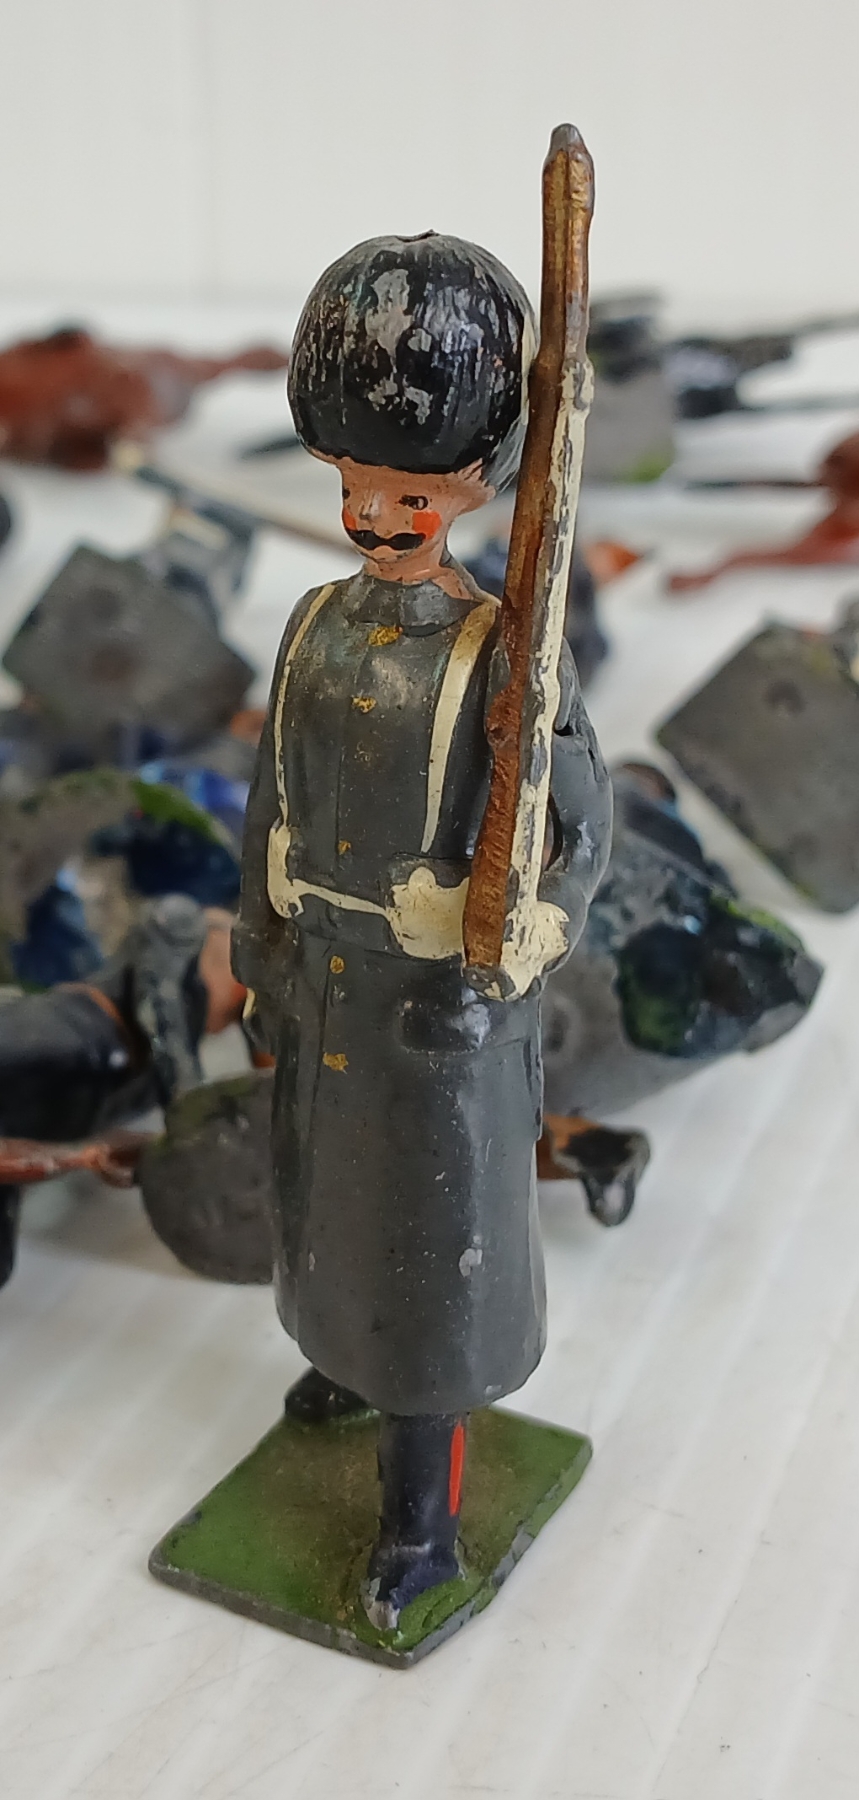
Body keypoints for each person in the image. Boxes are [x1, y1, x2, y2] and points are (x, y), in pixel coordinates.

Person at [233, 233, 612, 1630]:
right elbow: (270, 802)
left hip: (434, 1023)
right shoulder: (314, 628)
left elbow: (580, 840)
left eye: (407, 490)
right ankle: (340, 1362)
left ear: (474, 483)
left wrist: (502, 957)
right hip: (324, 994)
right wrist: (259, 948)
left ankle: (422, 1522)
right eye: (354, 484)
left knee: (430, 1274)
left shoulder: (506, 658)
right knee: (322, 1222)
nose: (375, 516)